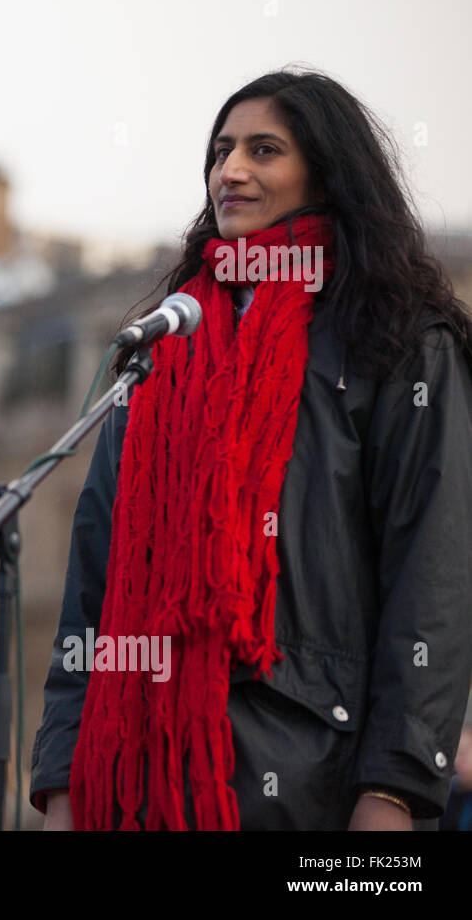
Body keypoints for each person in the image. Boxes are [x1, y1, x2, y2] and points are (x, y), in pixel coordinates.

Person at [30, 69, 472, 830]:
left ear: (326, 172)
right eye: (221, 151)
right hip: (136, 785)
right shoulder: (160, 344)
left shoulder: (399, 343)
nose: (230, 171)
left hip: (314, 783)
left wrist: (395, 790)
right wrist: (63, 776)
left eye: (264, 151)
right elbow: (90, 591)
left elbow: (433, 576)